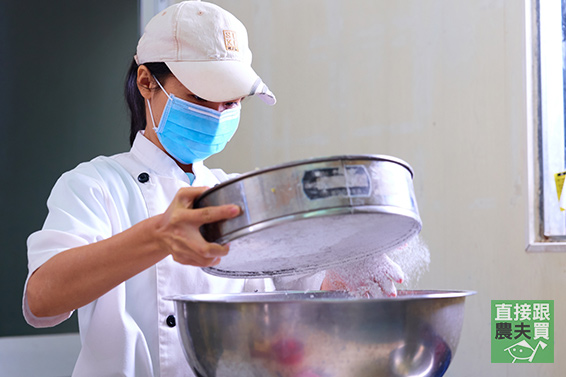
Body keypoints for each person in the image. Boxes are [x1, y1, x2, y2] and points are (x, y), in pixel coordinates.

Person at [22, 1, 404, 376]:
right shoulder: (95, 185)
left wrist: (348, 271)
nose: (218, 114)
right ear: (146, 83)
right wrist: (160, 236)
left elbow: (302, 294)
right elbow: (42, 302)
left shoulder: (239, 194)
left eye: (232, 101)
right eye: (201, 99)